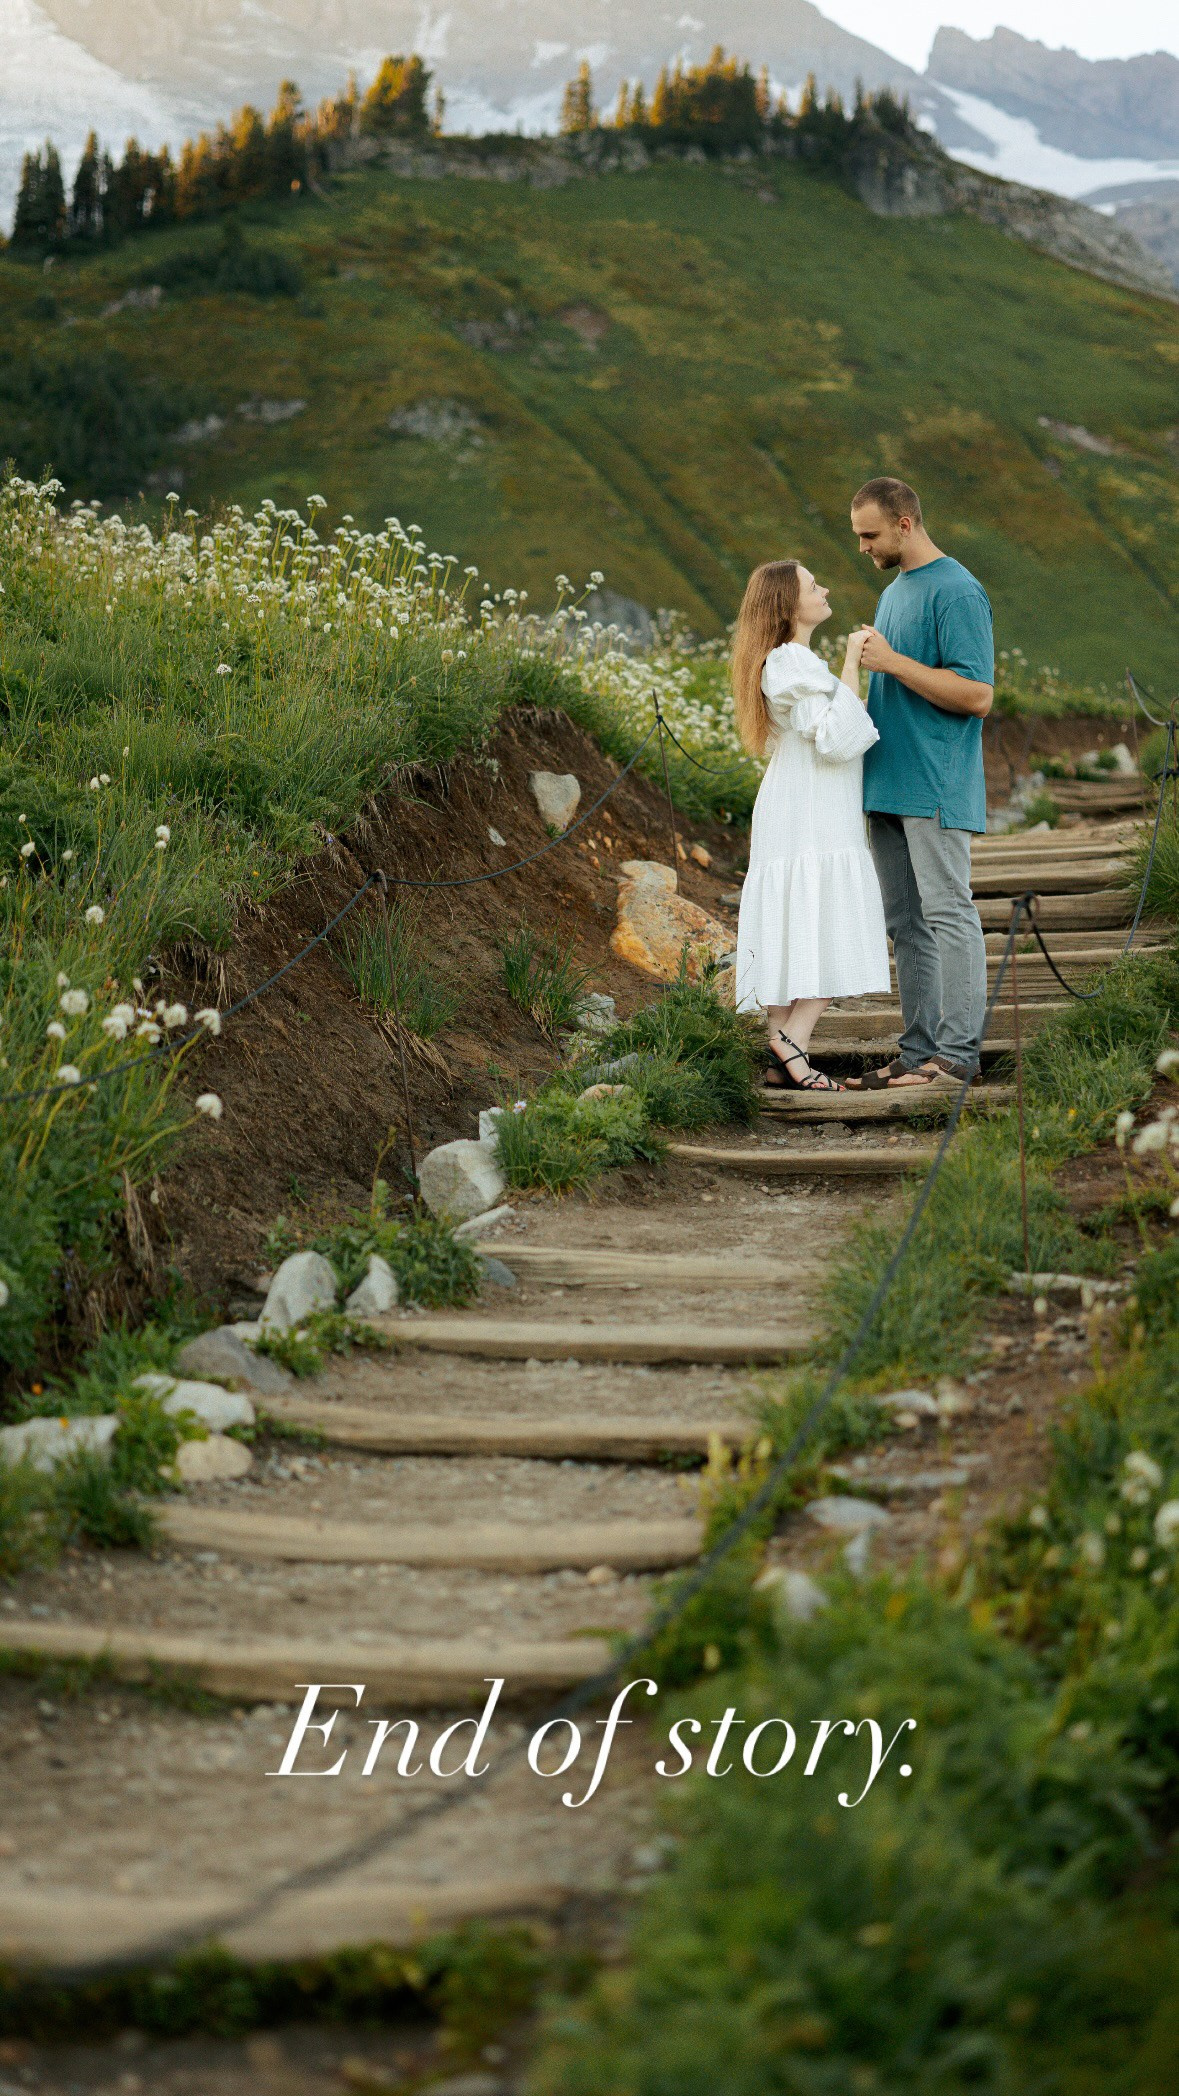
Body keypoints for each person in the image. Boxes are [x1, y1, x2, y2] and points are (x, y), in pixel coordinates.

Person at [848, 478, 994, 1089]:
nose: (863, 547)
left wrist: (891, 662)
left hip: (934, 784)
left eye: (870, 534)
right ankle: (918, 1053)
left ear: (905, 523)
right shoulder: (895, 592)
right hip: (885, 784)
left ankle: (957, 1057)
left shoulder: (958, 591)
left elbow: (978, 695)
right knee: (905, 923)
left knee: (947, 912)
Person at [732, 559, 890, 1092]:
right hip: (812, 814)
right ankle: (793, 1040)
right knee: (831, 920)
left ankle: (783, 1058)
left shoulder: (788, 661)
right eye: (811, 584)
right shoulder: (792, 662)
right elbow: (836, 737)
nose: (823, 587)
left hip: (801, 808)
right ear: (786, 604)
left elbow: (831, 726)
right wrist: (851, 661)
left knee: (796, 923)